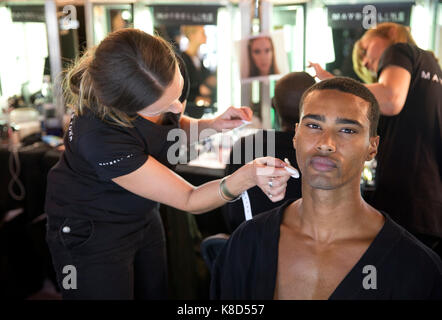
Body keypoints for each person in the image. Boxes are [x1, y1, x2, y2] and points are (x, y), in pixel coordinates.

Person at [45, 28, 293, 300]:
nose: (177, 108)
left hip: (141, 214)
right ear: (125, 107)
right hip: (91, 228)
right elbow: (189, 198)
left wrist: (212, 125)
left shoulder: (159, 72)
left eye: (177, 93)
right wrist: (246, 176)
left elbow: (166, 128)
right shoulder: (99, 137)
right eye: (161, 106)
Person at [211, 77, 442, 300]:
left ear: (372, 147)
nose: (326, 143)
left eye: (347, 130)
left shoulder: (415, 269)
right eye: (313, 125)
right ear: (296, 135)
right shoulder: (247, 243)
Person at [308, 22, 442, 257]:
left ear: (388, 33)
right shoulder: (432, 68)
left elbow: (390, 98)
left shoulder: (399, 49)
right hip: (431, 202)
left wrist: (335, 84)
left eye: (365, 50)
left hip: (407, 197)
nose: (367, 62)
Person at [223, 72, 316, 232]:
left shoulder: (246, 146)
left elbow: (229, 210)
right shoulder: (320, 154)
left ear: (274, 105)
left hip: (247, 247)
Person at [180, 25, 216, 117]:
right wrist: (196, 97)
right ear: (192, 35)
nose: (206, 36)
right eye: (203, 33)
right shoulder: (182, 60)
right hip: (188, 113)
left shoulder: (198, 59)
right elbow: (181, 89)